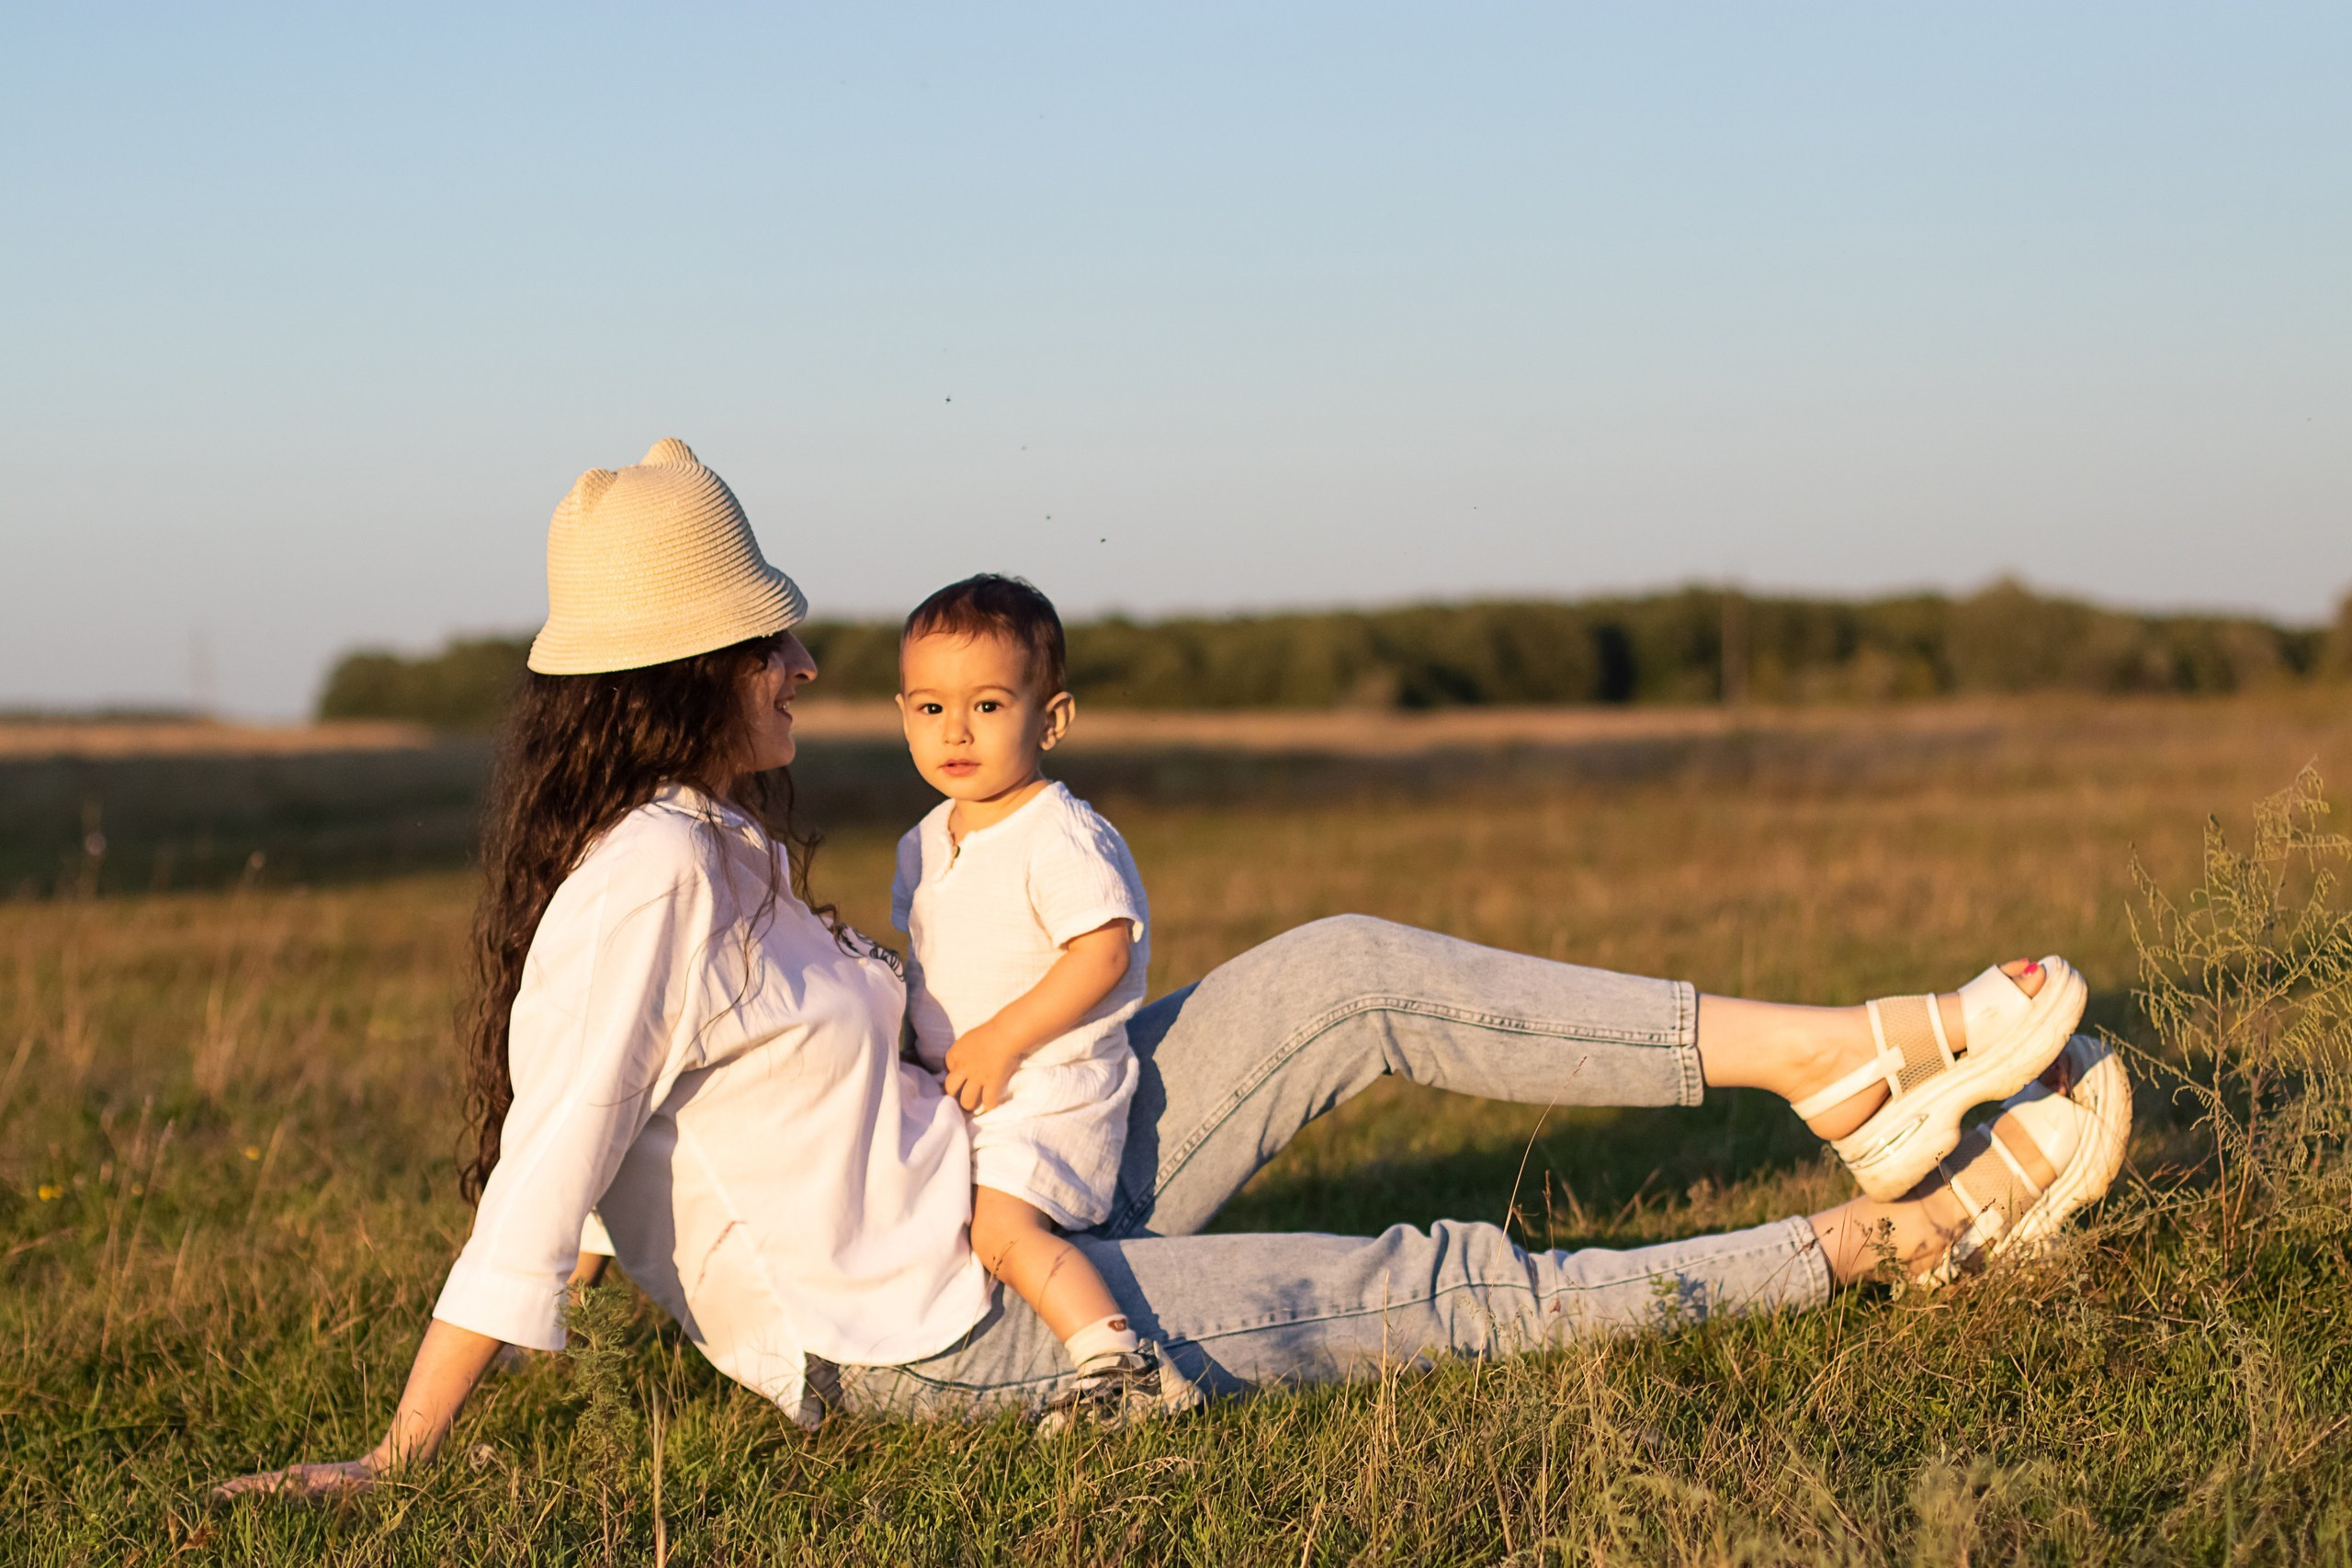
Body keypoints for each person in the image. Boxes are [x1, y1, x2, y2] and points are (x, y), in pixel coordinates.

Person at [217, 439, 2130, 1500]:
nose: (803, 668)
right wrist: (394, 1453)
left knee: (1348, 968)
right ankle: (1898, 1240)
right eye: (770, 644)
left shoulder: (715, 845)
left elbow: (649, 1120)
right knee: (1422, 1285)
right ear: (680, 675)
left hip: (1016, 1174)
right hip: (945, 1327)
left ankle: (1834, 1059)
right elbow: (544, 1161)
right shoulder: (644, 878)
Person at [891, 574, 1162, 1429]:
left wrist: (1004, 1036)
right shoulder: (923, 840)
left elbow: (1103, 952)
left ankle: (1117, 1367)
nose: (956, 730)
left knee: (998, 1232)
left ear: (1051, 719)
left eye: (988, 705)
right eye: (931, 708)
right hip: (972, 1089)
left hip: (1049, 1085)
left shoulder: (1057, 832)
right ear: (903, 713)